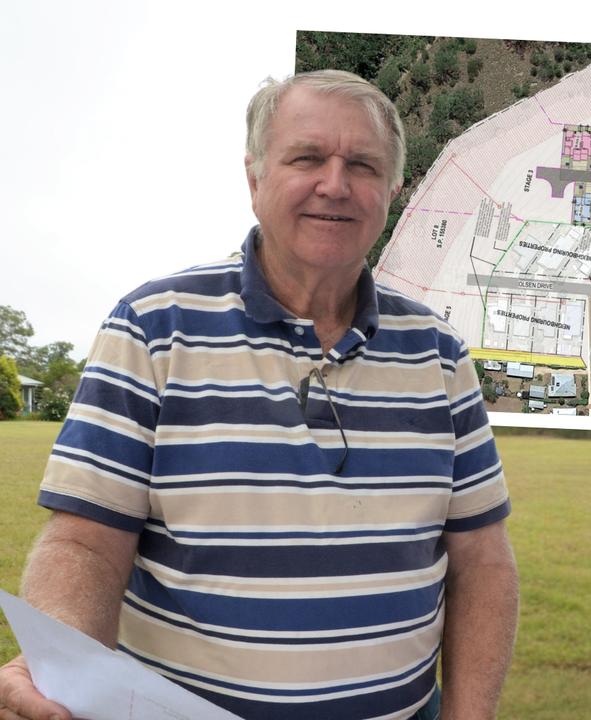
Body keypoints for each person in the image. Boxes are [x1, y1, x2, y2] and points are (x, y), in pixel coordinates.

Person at [0, 70, 517, 720]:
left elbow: (483, 561)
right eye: (307, 158)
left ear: (391, 191)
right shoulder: (155, 327)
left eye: (362, 164)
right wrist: (60, 668)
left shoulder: (438, 353)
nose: (335, 183)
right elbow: (85, 545)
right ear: (254, 179)